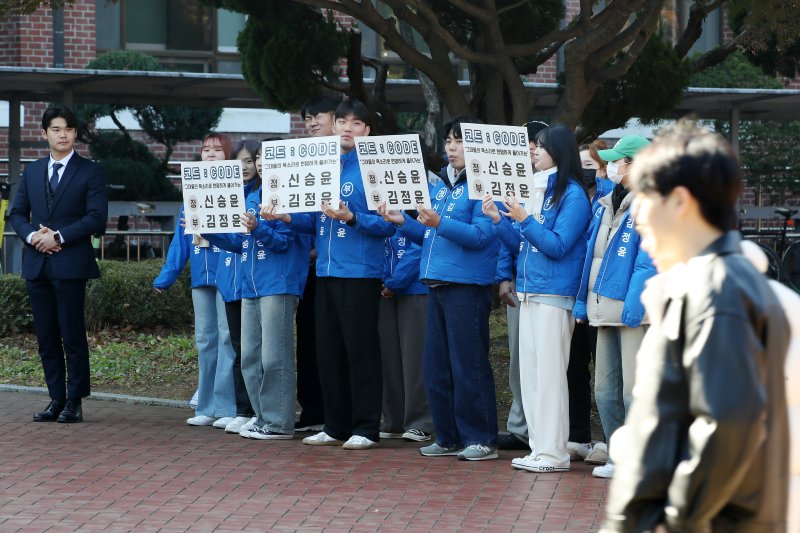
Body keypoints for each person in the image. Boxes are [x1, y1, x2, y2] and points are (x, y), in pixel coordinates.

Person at [603, 123, 789, 532]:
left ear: (680, 202)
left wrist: (674, 520)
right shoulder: (720, 284)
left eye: (645, 200)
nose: (636, 217)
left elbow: (725, 427)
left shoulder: (716, 293)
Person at [272, 99, 395, 450]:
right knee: (328, 350)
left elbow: (389, 226)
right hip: (325, 270)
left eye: (357, 124)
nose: (347, 128)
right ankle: (335, 424)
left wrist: (352, 218)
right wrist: (285, 218)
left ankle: (366, 426)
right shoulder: (325, 165)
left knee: (360, 350)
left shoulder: (374, 169)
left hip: (359, 273)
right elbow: (313, 220)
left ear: (368, 131)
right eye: (342, 121)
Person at [381, 116, 501, 461]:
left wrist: (440, 222)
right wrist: (403, 222)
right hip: (437, 283)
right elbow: (431, 234)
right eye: (448, 141)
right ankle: (448, 436)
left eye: (459, 141)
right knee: (437, 366)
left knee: (469, 365)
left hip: (467, 286)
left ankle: (481, 438)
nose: (451, 148)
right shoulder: (445, 186)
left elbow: (482, 236)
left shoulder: (482, 184)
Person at [483, 125, 591, 473]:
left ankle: (554, 453)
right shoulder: (540, 189)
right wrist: (501, 220)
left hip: (553, 294)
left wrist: (526, 220)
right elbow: (521, 243)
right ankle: (538, 448)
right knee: (530, 375)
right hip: (529, 292)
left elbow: (558, 245)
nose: (533, 151)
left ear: (558, 151)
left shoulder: (572, 194)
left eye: (540, 147)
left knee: (548, 377)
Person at [9, 105, 108, 423]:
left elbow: (96, 218)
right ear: (44, 133)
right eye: (55, 129)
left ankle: (74, 401)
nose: (62, 134)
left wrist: (59, 237)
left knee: (72, 334)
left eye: (67, 129)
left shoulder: (90, 171)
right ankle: (55, 398)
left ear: (75, 133)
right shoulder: (33, 171)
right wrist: (32, 237)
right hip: (36, 263)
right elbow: (17, 214)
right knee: (46, 336)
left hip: (70, 264)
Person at [572, 135, 655, 480]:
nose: (609, 167)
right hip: (604, 309)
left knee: (633, 390)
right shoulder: (607, 202)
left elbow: (648, 262)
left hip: (632, 313)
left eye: (616, 161)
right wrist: (582, 301)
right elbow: (592, 256)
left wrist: (634, 307)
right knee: (605, 389)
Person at [153, 133, 237, 427]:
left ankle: (228, 405)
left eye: (217, 149)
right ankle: (207, 405)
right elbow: (180, 240)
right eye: (206, 149)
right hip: (201, 274)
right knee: (205, 339)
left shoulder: (235, 189)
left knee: (227, 338)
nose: (211, 154)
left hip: (228, 271)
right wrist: (166, 277)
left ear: (228, 156)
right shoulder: (191, 192)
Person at [496, 120, 548, 452]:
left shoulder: (557, 188)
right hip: (518, 279)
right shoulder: (513, 185)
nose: (530, 148)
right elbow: (507, 241)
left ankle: (543, 430)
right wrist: (504, 277)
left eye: (537, 143)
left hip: (547, 284)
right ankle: (519, 426)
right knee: (518, 357)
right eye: (526, 142)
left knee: (542, 360)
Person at [294, 95, 339, 433]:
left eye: (316, 116)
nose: (310, 123)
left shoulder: (349, 160)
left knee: (337, 341)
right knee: (310, 339)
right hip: (307, 266)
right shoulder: (300, 160)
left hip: (344, 266)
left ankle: (337, 412)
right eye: (306, 118)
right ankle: (313, 409)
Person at [211, 139, 260, 433]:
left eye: (250, 161)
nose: (244, 168)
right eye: (239, 162)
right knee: (237, 347)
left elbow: (244, 242)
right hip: (229, 281)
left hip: (251, 281)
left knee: (253, 350)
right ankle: (242, 408)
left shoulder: (260, 196)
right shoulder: (227, 194)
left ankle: (256, 409)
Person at [378, 220, 433, 443]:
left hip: (416, 287)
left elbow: (421, 244)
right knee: (388, 355)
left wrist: (396, 280)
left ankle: (421, 421)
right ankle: (393, 418)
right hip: (383, 286)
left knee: (415, 356)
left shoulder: (424, 195)